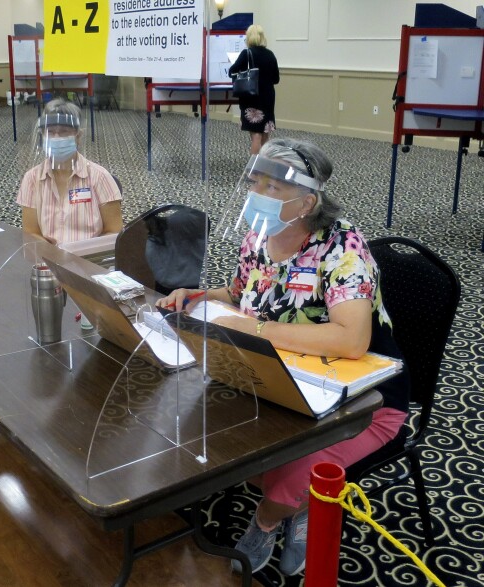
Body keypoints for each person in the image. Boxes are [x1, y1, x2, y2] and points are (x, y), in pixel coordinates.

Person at [156, 138, 410, 577]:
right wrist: (198, 296)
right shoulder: (260, 233)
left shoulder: (343, 245)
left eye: (272, 188)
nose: (258, 194)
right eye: (255, 182)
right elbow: (239, 295)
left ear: (307, 201)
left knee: (289, 472)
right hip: (284, 383)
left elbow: (351, 340)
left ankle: (269, 520)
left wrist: (256, 329)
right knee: (219, 438)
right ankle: (300, 507)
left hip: (363, 402)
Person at [16, 98, 122, 244]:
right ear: (43, 135)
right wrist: (55, 257)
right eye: (51, 132)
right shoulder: (32, 179)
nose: (56, 138)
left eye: (64, 132)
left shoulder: (100, 177)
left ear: (78, 136)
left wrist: (82, 255)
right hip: (48, 261)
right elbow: (30, 233)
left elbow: (114, 232)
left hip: (91, 261)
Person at [229, 24, 280, 155]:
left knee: (256, 136)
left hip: (252, 99)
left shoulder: (247, 53)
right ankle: (263, 167)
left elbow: (231, 72)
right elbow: (276, 79)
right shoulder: (270, 54)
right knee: (265, 135)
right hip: (268, 98)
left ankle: (254, 171)